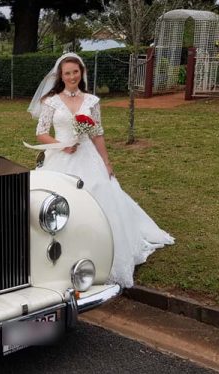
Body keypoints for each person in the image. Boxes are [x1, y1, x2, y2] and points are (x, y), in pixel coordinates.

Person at [28, 52, 174, 288]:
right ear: (61, 76)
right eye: (68, 73)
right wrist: (60, 146)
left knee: (99, 194)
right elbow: (41, 132)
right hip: (60, 156)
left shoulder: (92, 101)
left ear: (82, 73)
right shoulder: (51, 101)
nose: (72, 76)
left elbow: (97, 133)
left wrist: (106, 161)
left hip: (87, 156)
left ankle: (101, 250)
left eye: (76, 72)